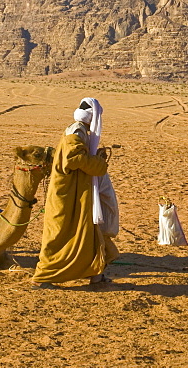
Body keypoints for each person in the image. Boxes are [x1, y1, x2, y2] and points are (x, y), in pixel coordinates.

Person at [32, 98, 119, 287]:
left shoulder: (79, 130)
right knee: (60, 235)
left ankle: (96, 275)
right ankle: (45, 277)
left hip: (78, 192)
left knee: (89, 232)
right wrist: (98, 164)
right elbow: (74, 158)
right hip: (67, 194)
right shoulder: (76, 131)